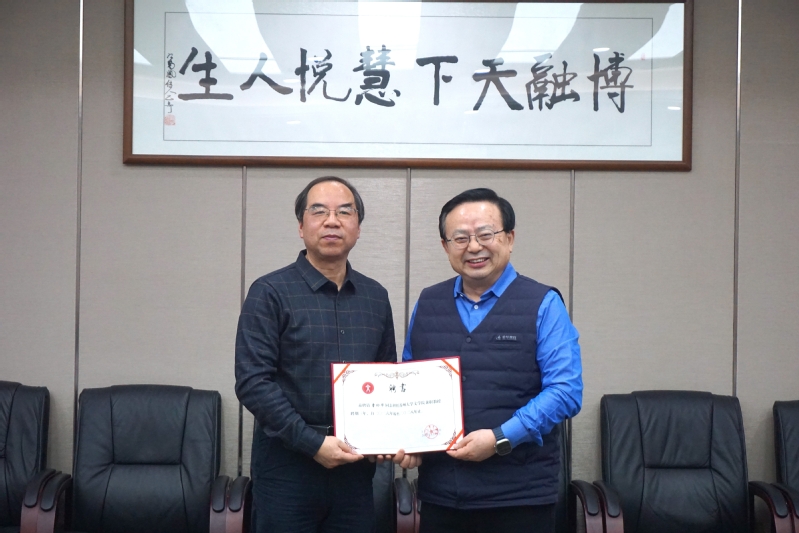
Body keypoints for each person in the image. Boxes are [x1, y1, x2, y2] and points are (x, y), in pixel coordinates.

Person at [402, 188, 583, 533]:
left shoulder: (543, 303)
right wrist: (410, 441)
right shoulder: (428, 302)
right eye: (460, 238)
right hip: (442, 496)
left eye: (485, 234)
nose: (474, 247)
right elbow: (410, 383)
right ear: (445, 246)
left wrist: (502, 437)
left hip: (520, 499)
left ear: (509, 238)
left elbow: (566, 391)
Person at [235, 176, 398, 533]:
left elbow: (387, 376)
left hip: (355, 472)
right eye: (319, 211)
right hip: (287, 469)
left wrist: (390, 435)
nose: (332, 221)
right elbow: (253, 382)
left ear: (358, 227)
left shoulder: (375, 297)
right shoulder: (270, 291)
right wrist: (312, 444)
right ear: (301, 226)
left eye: (344, 212)